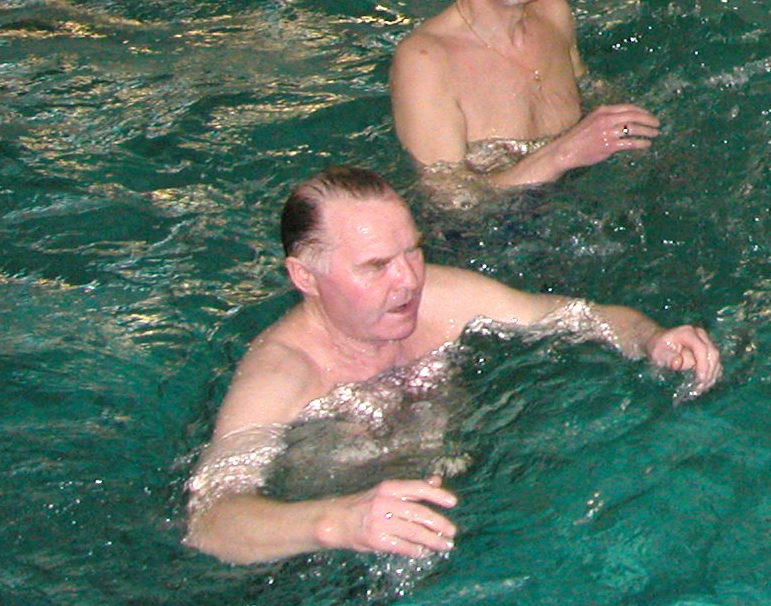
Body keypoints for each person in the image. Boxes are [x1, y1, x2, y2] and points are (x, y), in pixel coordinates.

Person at [183, 166, 719, 565]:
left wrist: (652, 338)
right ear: (305, 278)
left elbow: (581, 316)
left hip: (467, 496)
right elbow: (211, 520)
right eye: (376, 266)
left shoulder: (442, 299)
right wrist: (339, 522)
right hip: (338, 563)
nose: (408, 280)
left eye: (412, 251)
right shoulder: (282, 376)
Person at [389, 0, 663, 201]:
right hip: (496, 225)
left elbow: (589, 91)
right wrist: (562, 155)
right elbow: (450, 200)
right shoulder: (426, 61)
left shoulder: (552, 13)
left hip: (579, 192)